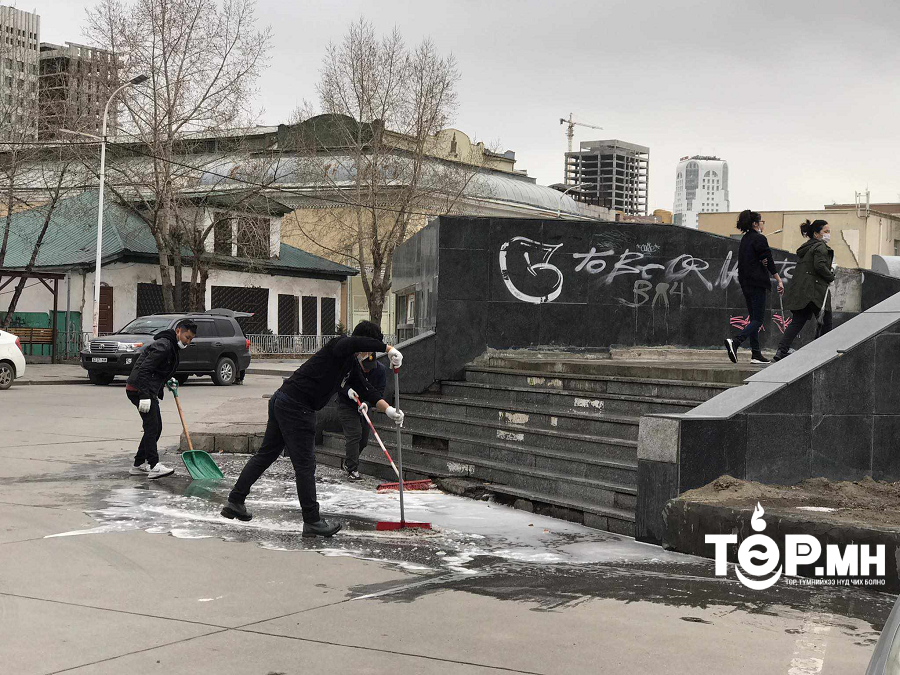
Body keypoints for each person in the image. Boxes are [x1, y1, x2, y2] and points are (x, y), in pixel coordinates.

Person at [220, 320, 404, 537]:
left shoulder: (351, 364)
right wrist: (389, 348)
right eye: (370, 349)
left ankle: (235, 500)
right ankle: (312, 520)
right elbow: (354, 342)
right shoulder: (340, 345)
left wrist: (389, 410)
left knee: (266, 455)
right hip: (297, 406)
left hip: (285, 400)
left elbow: (368, 390)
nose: (370, 354)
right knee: (305, 466)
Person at [125, 318, 197, 479]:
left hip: (146, 388)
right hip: (140, 389)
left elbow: (158, 368)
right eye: (187, 337)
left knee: (155, 427)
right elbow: (144, 369)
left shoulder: (170, 346)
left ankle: (138, 465)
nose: (188, 342)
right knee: (152, 427)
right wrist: (144, 396)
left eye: (191, 339)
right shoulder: (164, 345)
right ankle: (153, 465)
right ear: (178, 331)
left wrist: (167, 379)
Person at [725, 210, 785, 364]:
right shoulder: (759, 238)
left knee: (753, 319)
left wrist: (761, 262)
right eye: (761, 221)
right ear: (755, 224)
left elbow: (755, 260)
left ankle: (756, 354)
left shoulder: (745, 239)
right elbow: (768, 260)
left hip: (745, 283)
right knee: (758, 320)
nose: (763, 223)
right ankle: (736, 342)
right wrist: (778, 280)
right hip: (757, 283)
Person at [773, 220, 835, 361]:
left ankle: (781, 350)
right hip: (816, 291)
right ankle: (824, 353)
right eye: (825, 231)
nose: (828, 234)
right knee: (826, 321)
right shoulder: (820, 247)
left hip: (803, 292)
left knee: (798, 321)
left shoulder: (807, 248)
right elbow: (819, 266)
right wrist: (831, 276)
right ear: (816, 233)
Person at [337, 352, 386, 481]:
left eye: (370, 366)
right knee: (355, 434)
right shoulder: (350, 366)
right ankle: (352, 469)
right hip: (346, 404)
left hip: (364, 406)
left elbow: (379, 392)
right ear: (359, 361)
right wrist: (347, 390)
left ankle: (349, 461)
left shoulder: (380, 371)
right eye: (365, 366)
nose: (367, 369)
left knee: (363, 440)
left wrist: (367, 404)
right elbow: (338, 382)